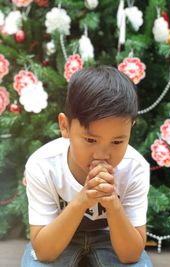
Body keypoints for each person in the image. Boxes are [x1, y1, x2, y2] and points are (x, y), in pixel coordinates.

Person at [21, 65, 153, 267]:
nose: (103, 155)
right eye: (91, 140)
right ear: (65, 126)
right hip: (58, 234)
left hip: (111, 237)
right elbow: (44, 252)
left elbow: (131, 256)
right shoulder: (43, 165)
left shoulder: (134, 168)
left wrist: (113, 204)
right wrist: (82, 199)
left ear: (130, 131)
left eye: (117, 142)